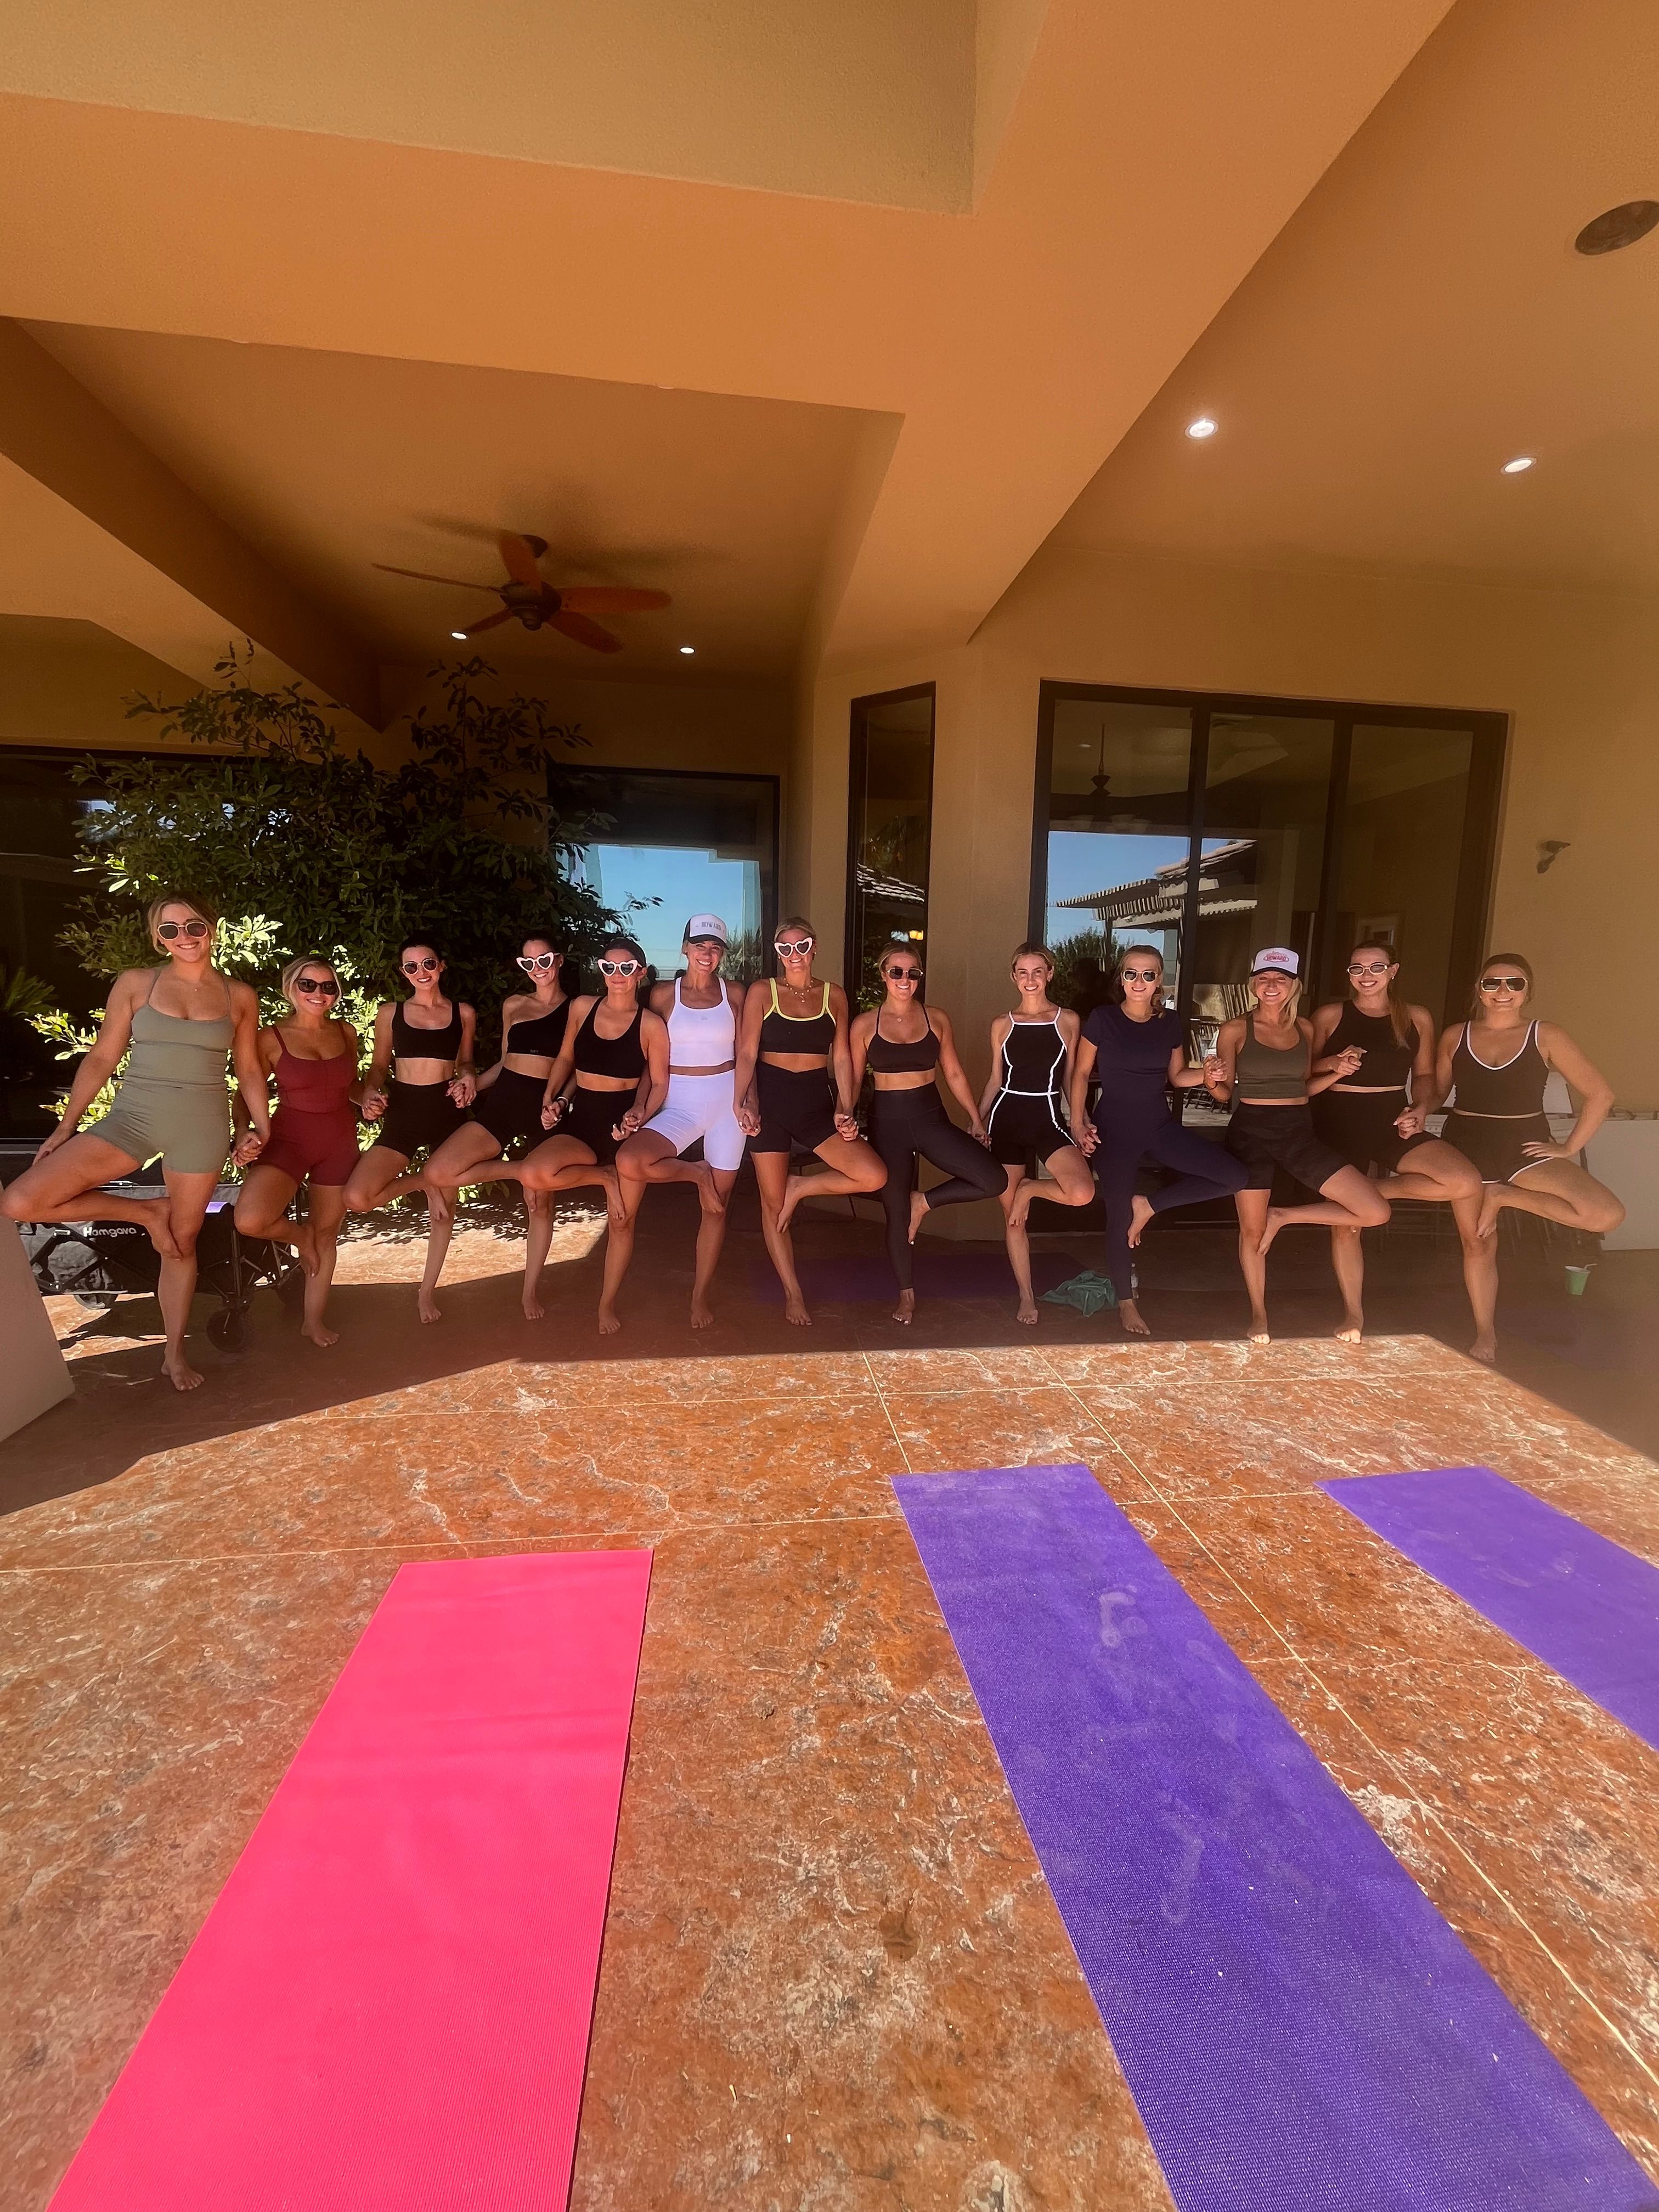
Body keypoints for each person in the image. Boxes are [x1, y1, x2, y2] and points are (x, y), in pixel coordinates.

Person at [2, 890, 267, 1391]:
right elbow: (102, 1058)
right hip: (133, 1118)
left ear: (211, 928)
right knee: (21, 1200)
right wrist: (66, 1126)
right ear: (156, 938)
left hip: (201, 1123)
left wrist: (260, 1128)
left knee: (181, 1243)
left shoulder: (239, 995)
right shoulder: (136, 984)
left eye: (194, 926)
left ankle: (173, 1354)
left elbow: (249, 1069)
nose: (184, 937)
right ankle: (147, 1213)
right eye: (170, 930)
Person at [1310, 940, 1491, 1356]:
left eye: (1376, 967)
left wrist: (1422, 1108)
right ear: (1348, 975)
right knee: (1349, 1225)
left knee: (1463, 1180)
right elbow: (1303, 1069)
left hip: (1393, 1118)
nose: (1366, 975)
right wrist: (1335, 1063)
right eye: (1357, 968)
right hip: (1337, 1120)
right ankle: (1354, 1313)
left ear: (1394, 970)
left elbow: (1425, 1074)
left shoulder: (1416, 1018)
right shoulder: (1331, 1015)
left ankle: (1367, 1195)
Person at [1202, 946, 1391, 1344]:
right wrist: (1210, 1078)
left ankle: (1284, 1215)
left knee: (1374, 1210)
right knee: (1251, 1233)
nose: (1272, 986)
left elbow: (1303, 1085)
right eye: (1264, 979)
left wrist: (1336, 1070)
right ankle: (1259, 1314)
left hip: (1297, 1130)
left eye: (1281, 979)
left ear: (1294, 986)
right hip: (1251, 1130)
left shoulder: (1305, 1028)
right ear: (1253, 983)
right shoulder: (1236, 1029)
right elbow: (1222, 1095)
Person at [1068, 944, 1248, 1338]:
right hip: (1112, 1130)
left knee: (1233, 1176)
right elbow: (1080, 1074)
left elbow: (1177, 1076)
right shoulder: (1103, 1019)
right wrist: (1079, 1123)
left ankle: (1149, 1205)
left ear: (1159, 982)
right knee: (1117, 1220)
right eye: (1131, 973)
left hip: (1158, 1126)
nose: (1139, 981)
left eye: (1148, 974)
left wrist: (1207, 1074)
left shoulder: (1169, 1023)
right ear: (1121, 978)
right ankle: (1126, 1303)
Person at [733, 917, 885, 1328]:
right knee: (771, 1204)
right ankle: (792, 1291)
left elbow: (842, 1057)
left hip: (817, 1106)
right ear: (776, 953)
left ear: (815, 948)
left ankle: (800, 1188)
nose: (794, 955)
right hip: (772, 1106)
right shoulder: (763, 992)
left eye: (802, 946)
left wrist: (847, 1108)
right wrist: (741, 1101)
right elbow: (746, 1051)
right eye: (785, 948)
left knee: (872, 1175)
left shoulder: (833, 995)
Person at [514, 936, 669, 1334]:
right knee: (534, 1174)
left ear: (640, 973)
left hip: (623, 1128)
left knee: (621, 1222)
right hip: (581, 1121)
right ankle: (604, 1177)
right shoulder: (583, 1007)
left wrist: (641, 1112)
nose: (617, 976)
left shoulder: (651, 1024)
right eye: (609, 968)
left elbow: (658, 1083)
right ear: (601, 970)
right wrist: (551, 1097)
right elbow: (566, 1056)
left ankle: (606, 1304)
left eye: (626, 968)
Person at [414, 934, 571, 1324]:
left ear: (560, 960)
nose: (538, 968)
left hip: (545, 1107)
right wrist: (473, 1084)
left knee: (538, 1203)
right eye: (529, 962)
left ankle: (530, 1288)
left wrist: (562, 1102)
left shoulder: (578, 1009)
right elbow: (505, 1062)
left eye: (545, 959)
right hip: (505, 1100)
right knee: (438, 1171)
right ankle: (525, 1172)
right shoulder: (514, 1004)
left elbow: (577, 1068)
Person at [850, 940, 1003, 1325]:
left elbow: (952, 1072)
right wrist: (844, 1113)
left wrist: (975, 1118)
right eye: (896, 972)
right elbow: (852, 1078)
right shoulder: (866, 1024)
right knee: (895, 1212)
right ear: (883, 974)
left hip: (930, 1119)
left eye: (912, 973)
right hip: (888, 1125)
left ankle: (926, 1202)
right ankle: (906, 1294)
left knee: (992, 1178)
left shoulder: (936, 1018)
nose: (905, 979)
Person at [1438, 952, 1623, 1262]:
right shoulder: (1456, 1035)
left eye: (1514, 983)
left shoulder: (1546, 1034)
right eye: (1492, 983)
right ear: (1479, 989)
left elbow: (1601, 1094)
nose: (1503, 992)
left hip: (1523, 1143)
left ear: (1528, 991)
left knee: (1605, 1215)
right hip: (1466, 1143)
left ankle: (1503, 1196)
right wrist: (1416, 1110)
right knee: (1477, 1247)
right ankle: (1482, 1314)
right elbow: (1437, 1092)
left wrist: (1569, 1147)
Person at [613, 915, 746, 1330]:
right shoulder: (661, 996)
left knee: (717, 1212)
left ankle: (699, 1295)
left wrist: (748, 1103)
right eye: (700, 945)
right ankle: (696, 1175)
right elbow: (648, 1062)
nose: (708, 954)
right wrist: (640, 1109)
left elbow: (748, 1056)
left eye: (716, 948)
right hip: (679, 1104)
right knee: (631, 1161)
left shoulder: (736, 993)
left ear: (722, 954)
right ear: (685, 948)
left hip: (727, 1103)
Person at [231, 956, 363, 1349]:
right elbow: (245, 1093)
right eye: (309, 985)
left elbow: (350, 1085)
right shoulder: (270, 1038)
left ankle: (313, 1320)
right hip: (288, 1139)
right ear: (291, 988)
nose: (319, 994)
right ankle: (299, 1238)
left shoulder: (345, 1031)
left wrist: (367, 1097)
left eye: (328, 987)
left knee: (328, 1234)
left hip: (339, 1140)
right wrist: (243, 1132)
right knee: (250, 1219)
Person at [343, 940, 476, 1259]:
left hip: (447, 1111)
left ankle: (426, 1293)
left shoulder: (464, 1012)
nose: (422, 972)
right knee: (357, 1197)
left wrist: (468, 1077)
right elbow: (377, 1067)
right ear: (404, 972)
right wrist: (371, 1093)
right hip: (404, 1112)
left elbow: (466, 1062)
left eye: (429, 964)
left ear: (441, 966)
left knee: (444, 1215)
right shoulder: (391, 1012)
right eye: (412, 966)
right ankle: (426, 1181)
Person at [988, 944, 1096, 1327]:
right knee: (1014, 1220)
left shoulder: (1067, 1020)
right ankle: (1026, 1295)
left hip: (1048, 1116)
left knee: (1082, 1193)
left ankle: (1031, 1188)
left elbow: (1070, 1077)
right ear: (1014, 976)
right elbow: (996, 1080)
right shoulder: (1003, 1023)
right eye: (1023, 972)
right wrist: (977, 1119)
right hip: (1006, 1119)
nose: (1030, 979)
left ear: (1050, 974)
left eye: (1038, 971)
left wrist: (1079, 1121)